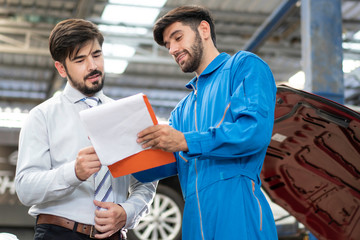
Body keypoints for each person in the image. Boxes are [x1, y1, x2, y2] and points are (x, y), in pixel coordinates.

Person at [137, 5, 278, 240]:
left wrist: (185, 140)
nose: (172, 49)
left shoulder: (243, 67)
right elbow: (162, 165)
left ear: (204, 29)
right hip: (194, 223)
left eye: (177, 37)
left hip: (238, 214)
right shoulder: (181, 111)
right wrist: (118, 152)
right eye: (167, 45)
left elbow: (253, 132)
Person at [15, 19, 157, 240]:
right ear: (61, 68)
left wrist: (128, 212)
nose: (92, 66)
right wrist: (74, 173)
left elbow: (145, 183)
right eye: (80, 59)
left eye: (97, 55)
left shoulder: (127, 114)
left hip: (113, 234)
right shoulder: (42, 116)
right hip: (58, 234)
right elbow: (25, 189)